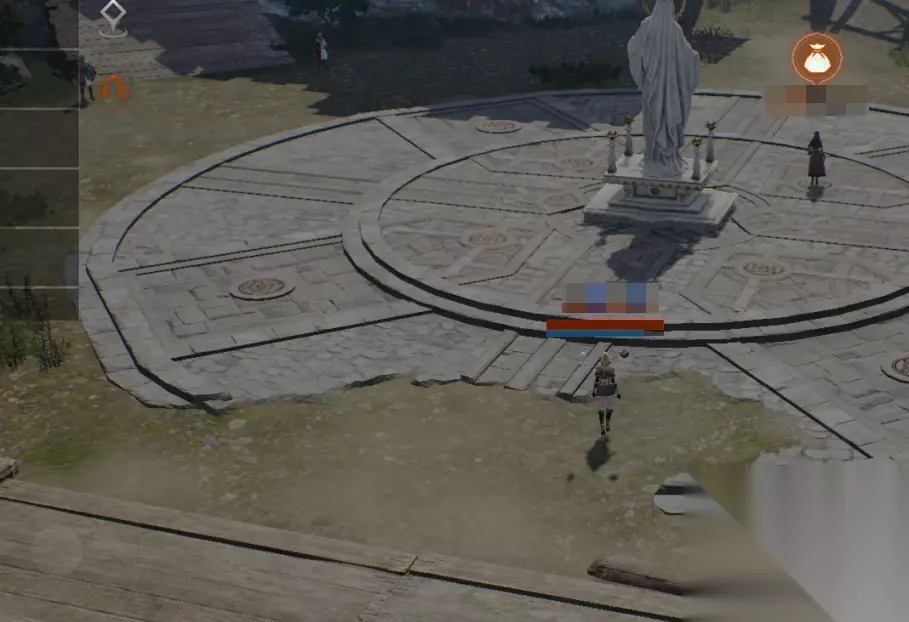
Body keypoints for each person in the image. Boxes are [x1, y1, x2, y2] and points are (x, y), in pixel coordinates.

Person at [627, 0, 701, 178]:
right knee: (668, 119)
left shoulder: (646, 25)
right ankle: (666, 157)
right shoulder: (674, 29)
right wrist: (696, 58)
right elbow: (687, 56)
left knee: (653, 121)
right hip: (670, 88)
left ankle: (653, 156)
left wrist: (643, 70)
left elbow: (634, 49)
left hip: (651, 87)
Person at [592, 353, 621, 438]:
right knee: (608, 408)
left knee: (602, 409)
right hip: (608, 390)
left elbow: (596, 381)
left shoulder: (599, 368)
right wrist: (617, 392)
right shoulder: (610, 369)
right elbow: (613, 382)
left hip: (602, 389)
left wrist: (593, 390)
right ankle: (606, 424)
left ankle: (603, 426)